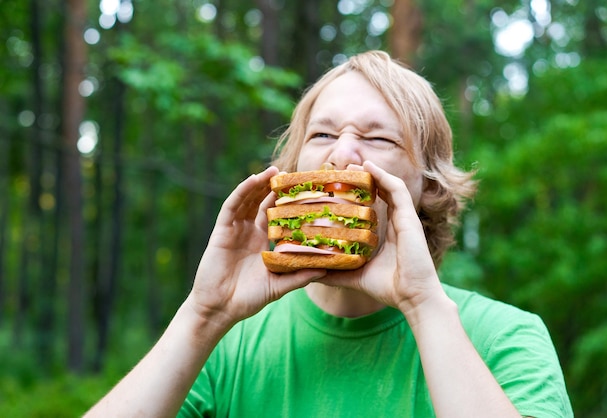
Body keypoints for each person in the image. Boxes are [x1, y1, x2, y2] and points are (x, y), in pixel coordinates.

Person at [85, 51, 573, 418]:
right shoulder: (226, 345)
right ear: (292, 172)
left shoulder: (506, 338)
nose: (341, 155)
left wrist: (424, 307)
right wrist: (203, 315)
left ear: (428, 186)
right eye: (321, 135)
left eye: (379, 138)